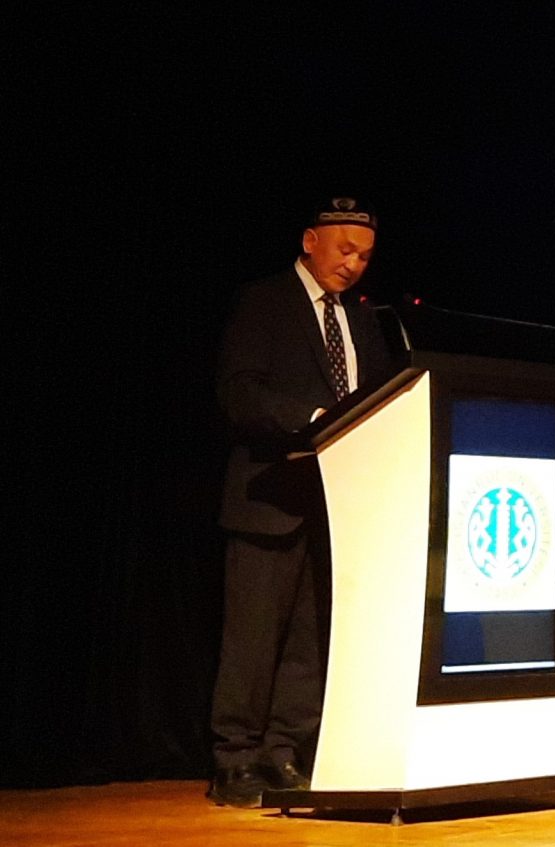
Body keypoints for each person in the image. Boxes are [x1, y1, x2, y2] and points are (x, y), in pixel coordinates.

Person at [207, 198, 393, 807]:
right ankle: (235, 759)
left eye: (365, 256)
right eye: (345, 250)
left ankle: (283, 751)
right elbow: (240, 393)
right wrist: (313, 419)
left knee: (310, 643)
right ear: (310, 241)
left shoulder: (361, 318)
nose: (354, 264)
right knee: (253, 640)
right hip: (269, 499)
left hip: (336, 505)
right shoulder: (264, 302)